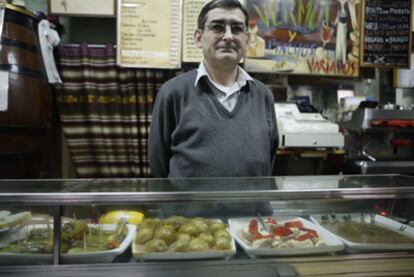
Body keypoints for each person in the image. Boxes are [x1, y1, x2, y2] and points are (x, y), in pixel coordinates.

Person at [148, 0, 278, 179]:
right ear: (198, 38)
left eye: (237, 29)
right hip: (188, 208)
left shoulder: (263, 95)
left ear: (247, 40)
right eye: (217, 27)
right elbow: (159, 164)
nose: (228, 36)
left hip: (250, 208)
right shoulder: (173, 93)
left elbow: (268, 158)